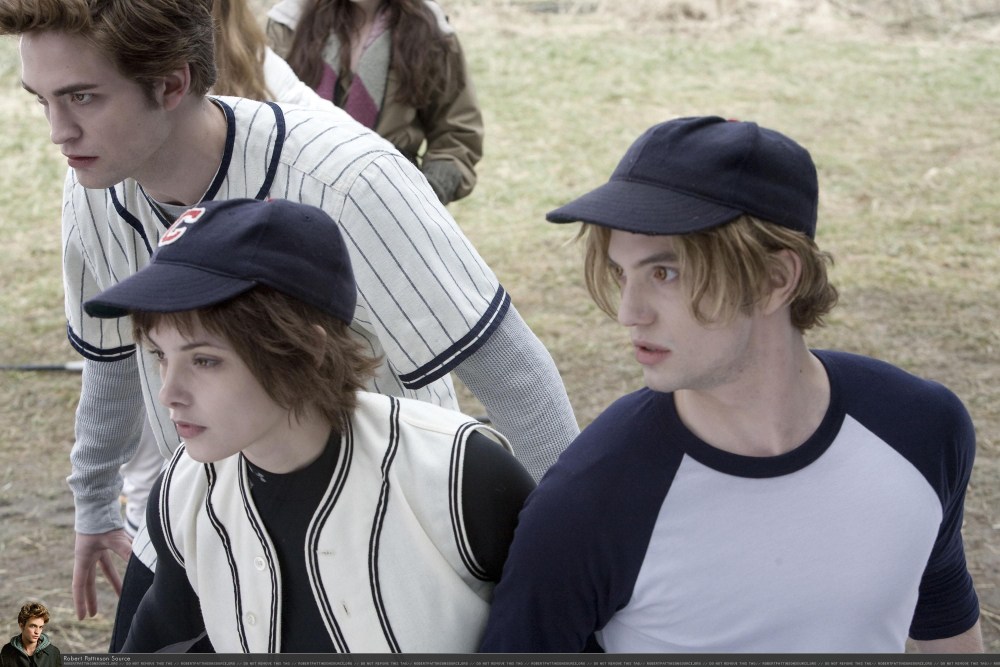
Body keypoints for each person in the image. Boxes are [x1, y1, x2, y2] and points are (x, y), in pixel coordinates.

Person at [0, 0, 577, 621]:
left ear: (171, 83)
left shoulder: (348, 180)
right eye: (43, 100)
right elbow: (112, 356)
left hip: (383, 529)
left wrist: (566, 556)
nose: (58, 131)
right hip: (206, 519)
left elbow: (516, 377)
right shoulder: (93, 186)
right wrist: (94, 502)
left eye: (82, 98)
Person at [479, 116, 984, 653]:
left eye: (664, 273)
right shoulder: (589, 500)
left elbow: (943, 617)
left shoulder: (922, 429)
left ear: (775, 279)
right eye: (622, 273)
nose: (629, 312)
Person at [83, 197, 535, 652]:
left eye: (205, 360)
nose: (168, 392)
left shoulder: (455, 473)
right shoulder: (185, 490)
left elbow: (559, 631)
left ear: (304, 349)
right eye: (160, 355)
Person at [267, 0, 483, 205]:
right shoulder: (290, 22)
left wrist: (425, 194)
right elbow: (259, 121)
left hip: (390, 201)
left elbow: (457, 135)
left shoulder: (429, 30)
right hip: (291, 199)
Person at [1, 603, 62, 667]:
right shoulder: (7, 651)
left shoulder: (53, 652)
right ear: (21, 626)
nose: (37, 632)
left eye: (40, 627)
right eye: (33, 626)